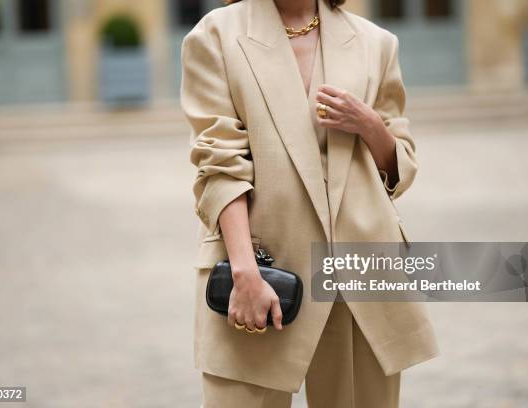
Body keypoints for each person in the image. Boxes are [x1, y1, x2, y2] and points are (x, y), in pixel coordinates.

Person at [180, 0, 439, 406]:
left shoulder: (377, 43)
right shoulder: (215, 35)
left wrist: (369, 124)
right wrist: (246, 271)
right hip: (261, 271)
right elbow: (218, 165)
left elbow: (398, 166)